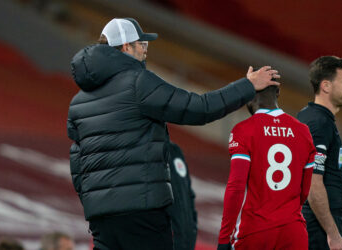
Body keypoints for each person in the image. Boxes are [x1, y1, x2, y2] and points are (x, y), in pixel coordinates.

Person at [67, 17, 280, 250]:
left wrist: (95, 202)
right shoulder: (138, 82)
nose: (145, 51)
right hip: (142, 211)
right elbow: (198, 108)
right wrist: (247, 85)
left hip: (101, 219)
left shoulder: (78, 101)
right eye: (142, 44)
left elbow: (77, 162)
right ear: (126, 47)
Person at [217, 84, 316, 250]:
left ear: (248, 96)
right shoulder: (303, 132)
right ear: (278, 91)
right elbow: (304, 191)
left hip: (256, 231)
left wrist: (224, 237)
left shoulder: (244, 130)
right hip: (293, 232)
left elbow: (236, 188)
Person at [297, 56, 342, 250]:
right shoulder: (319, 123)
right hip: (318, 227)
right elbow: (313, 183)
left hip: (316, 222)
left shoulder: (313, 117)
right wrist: (333, 234)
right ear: (326, 86)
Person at [166, 142, 197, 250]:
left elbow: (188, 196)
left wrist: (192, 229)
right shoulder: (143, 151)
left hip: (184, 243)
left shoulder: (175, 151)